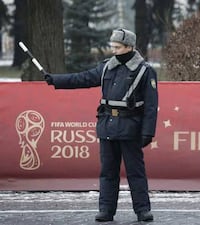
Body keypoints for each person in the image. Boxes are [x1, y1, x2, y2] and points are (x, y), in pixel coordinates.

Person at [44, 28, 158, 222]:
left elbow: (151, 106)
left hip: (130, 128)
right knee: (108, 172)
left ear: (130, 47)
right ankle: (106, 210)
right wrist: (56, 80)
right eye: (112, 46)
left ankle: (142, 210)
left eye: (117, 47)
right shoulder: (107, 67)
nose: (113, 50)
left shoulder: (145, 71)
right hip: (107, 127)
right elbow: (83, 78)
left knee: (135, 172)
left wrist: (148, 132)